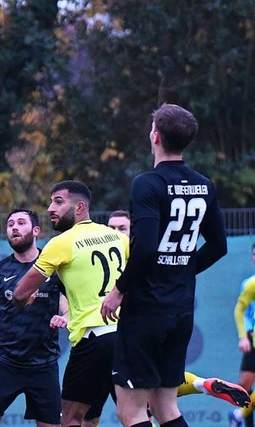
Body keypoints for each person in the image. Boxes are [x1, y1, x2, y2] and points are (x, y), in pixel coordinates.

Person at [101, 103, 228, 427]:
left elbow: (143, 248)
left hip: (145, 310)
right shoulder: (204, 185)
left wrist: (118, 290)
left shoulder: (147, 183)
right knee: (165, 407)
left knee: (130, 411)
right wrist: (182, 270)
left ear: (155, 136)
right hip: (180, 310)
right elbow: (218, 246)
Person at [82, 211, 248, 427]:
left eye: (122, 228)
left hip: (116, 333)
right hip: (156, 325)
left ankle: (201, 384)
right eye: (111, 228)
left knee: (112, 413)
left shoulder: (135, 258)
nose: (116, 233)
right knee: (159, 403)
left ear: (134, 231)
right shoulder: (148, 257)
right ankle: (200, 384)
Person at [11, 180, 128, 427]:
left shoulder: (61, 242)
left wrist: (26, 297)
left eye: (58, 201)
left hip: (93, 338)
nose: (50, 208)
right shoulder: (117, 237)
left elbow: (20, 294)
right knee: (136, 414)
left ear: (80, 207)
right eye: (51, 201)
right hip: (125, 335)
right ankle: (197, 384)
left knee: (72, 418)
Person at [0, 209, 64, 427]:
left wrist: (67, 316)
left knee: (50, 424)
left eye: (21, 223)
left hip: (44, 362)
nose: (14, 227)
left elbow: (67, 301)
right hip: (6, 361)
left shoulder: (53, 267)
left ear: (35, 231)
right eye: (10, 224)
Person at [229, 245, 255, 427]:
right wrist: (244, 336)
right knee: (245, 386)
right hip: (253, 339)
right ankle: (242, 418)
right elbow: (241, 310)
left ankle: (238, 415)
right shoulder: (250, 284)